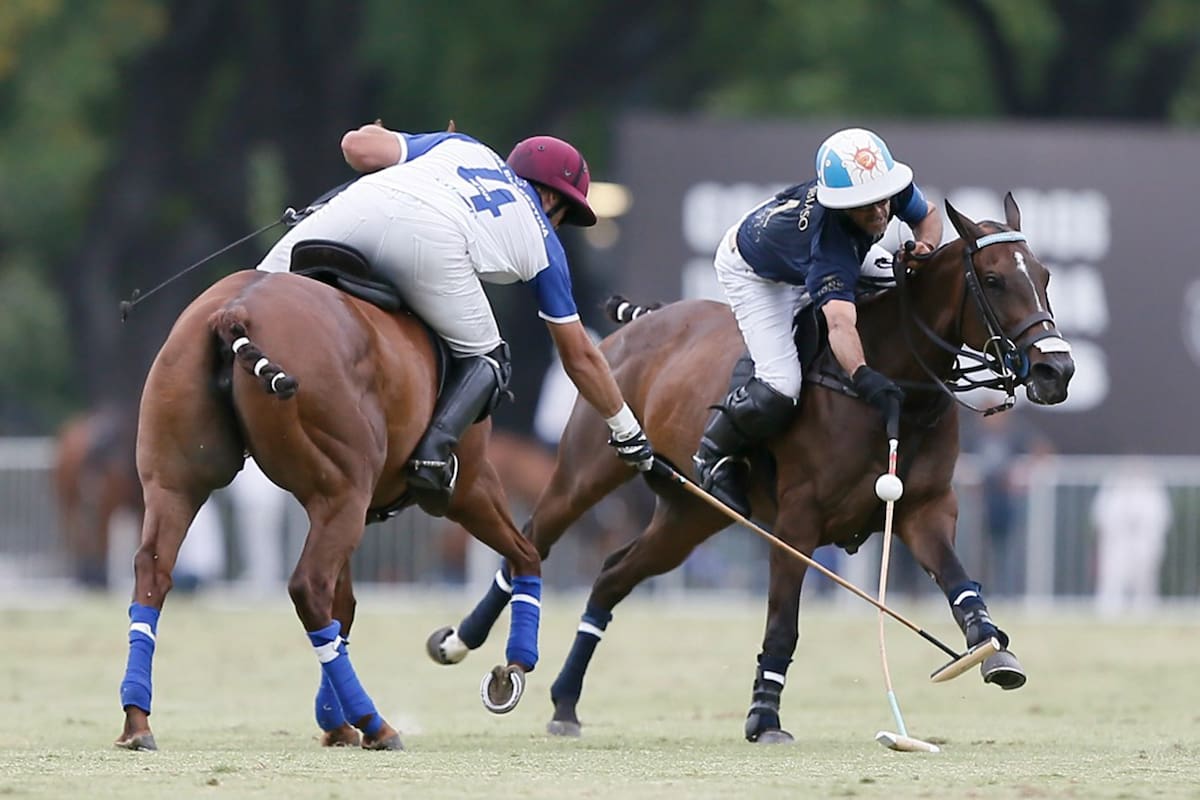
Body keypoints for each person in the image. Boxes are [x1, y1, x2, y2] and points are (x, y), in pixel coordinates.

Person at [255, 123, 654, 512]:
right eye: (565, 214)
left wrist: (377, 131)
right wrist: (627, 431)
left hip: (360, 204)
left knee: (250, 299)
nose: (559, 226)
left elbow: (356, 147)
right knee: (492, 358)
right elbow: (579, 357)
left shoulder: (459, 146)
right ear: (550, 198)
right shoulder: (544, 241)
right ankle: (431, 458)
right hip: (431, 240)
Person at [692, 127, 944, 517]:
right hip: (757, 274)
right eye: (866, 206)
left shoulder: (884, 189)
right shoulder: (830, 248)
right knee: (780, 385)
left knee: (909, 279)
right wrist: (864, 375)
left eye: (882, 202)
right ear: (842, 206)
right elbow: (841, 324)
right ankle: (710, 455)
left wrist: (924, 249)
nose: (880, 213)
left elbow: (927, 215)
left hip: (805, 252)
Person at [1091, 460, 1172, 616]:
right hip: (1117, 543)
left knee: (1145, 581)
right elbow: (1102, 516)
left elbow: (1160, 518)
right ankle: (1108, 613)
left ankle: (1144, 613)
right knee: (1112, 578)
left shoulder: (1153, 489)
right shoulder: (1112, 487)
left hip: (1144, 542)